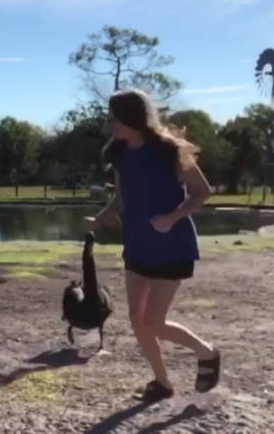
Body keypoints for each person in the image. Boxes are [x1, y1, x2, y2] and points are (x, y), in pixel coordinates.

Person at [87, 88, 221, 403]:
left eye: (115, 117)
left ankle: (208, 353)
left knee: (155, 323)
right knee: (137, 319)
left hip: (172, 245)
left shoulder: (169, 151)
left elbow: (202, 191)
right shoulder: (119, 153)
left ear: (131, 117)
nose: (111, 124)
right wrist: (100, 217)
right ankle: (162, 382)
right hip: (137, 244)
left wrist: (173, 217)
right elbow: (122, 197)